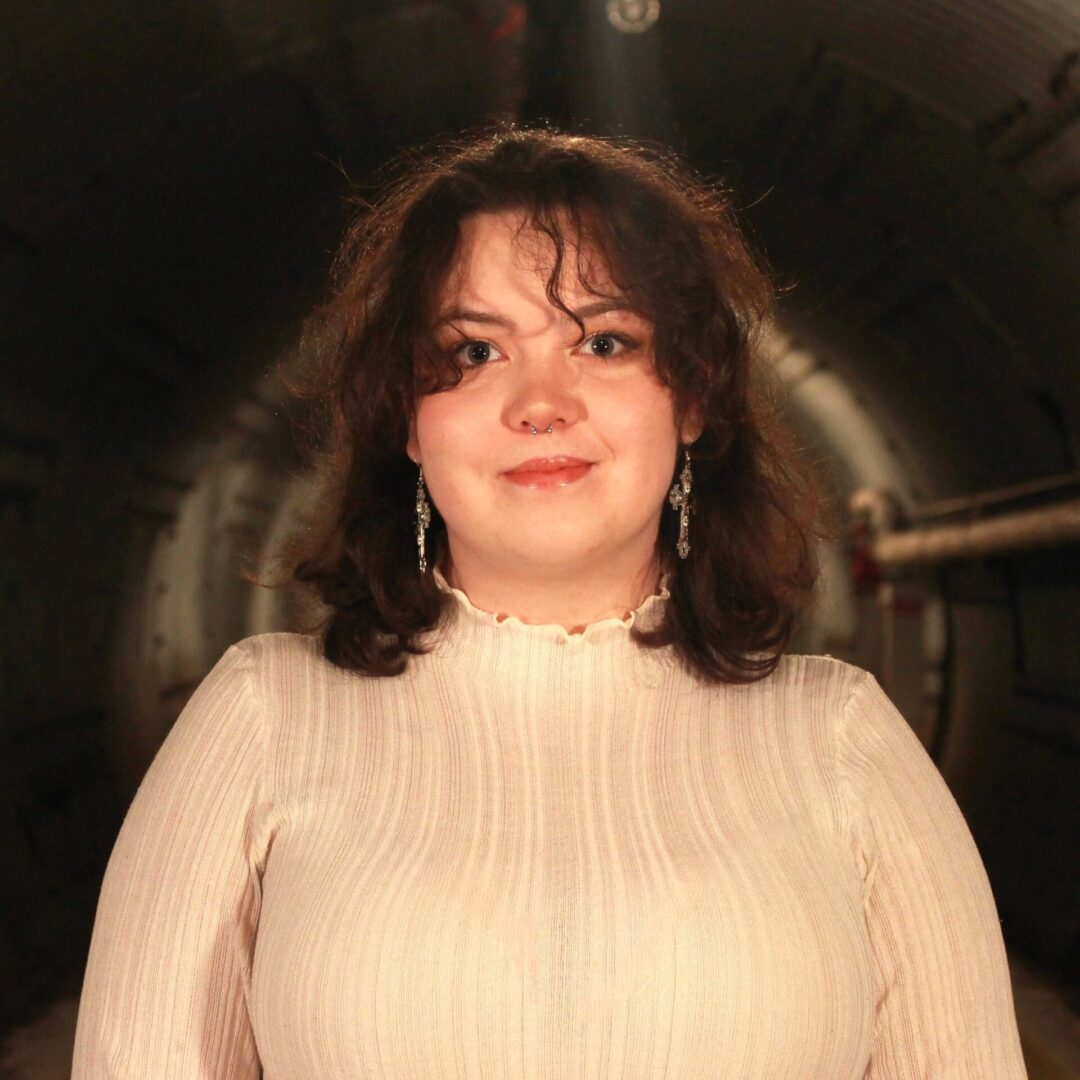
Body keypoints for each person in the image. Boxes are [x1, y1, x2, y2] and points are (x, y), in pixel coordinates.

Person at [71, 126, 1028, 1078]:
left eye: (605, 341)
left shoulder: (843, 740)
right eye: (475, 351)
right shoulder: (262, 716)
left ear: (691, 398)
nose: (541, 401)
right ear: (408, 420)